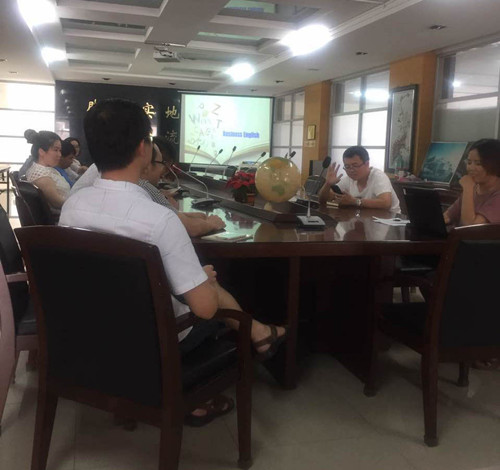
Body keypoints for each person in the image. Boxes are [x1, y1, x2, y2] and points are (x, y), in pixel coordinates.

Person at [59, 98, 286, 425]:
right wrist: (204, 280)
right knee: (210, 296)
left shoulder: (73, 206)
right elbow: (205, 309)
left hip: (94, 331)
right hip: (154, 341)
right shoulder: (159, 220)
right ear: (143, 149)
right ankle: (199, 387)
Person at [319, 146, 400, 213]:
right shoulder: (349, 179)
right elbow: (323, 200)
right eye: (347, 166)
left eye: (355, 165)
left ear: (367, 164)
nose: (351, 170)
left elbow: (386, 203)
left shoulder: (378, 176)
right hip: (365, 218)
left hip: (390, 220)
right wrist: (327, 184)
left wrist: (355, 201)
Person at [444, 139, 500, 226]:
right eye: (469, 162)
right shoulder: (474, 189)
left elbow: (470, 228)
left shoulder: (470, 188)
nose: (471, 168)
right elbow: (447, 216)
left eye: (478, 164)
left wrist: (468, 188)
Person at [24, 130, 71, 211]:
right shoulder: (41, 174)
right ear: (41, 152)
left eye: (60, 150)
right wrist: (78, 205)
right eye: (55, 150)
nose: (59, 155)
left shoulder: (47, 169)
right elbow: (57, 202)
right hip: (63, 215)